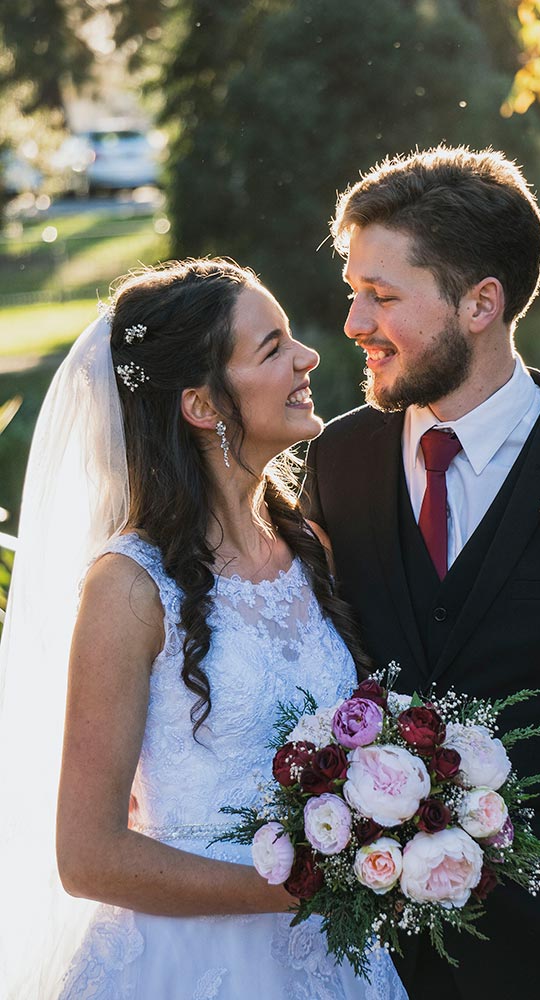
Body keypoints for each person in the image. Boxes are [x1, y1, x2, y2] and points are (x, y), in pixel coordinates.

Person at [304, 146, 540, 1000]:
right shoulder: (334, 462)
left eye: (383, 298)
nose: (354, 323)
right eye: (353, 291)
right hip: (379, 957)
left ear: (480, 303)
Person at [0, 259, 407, 1000]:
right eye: (272, 347)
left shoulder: (310, 547)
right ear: (200, 405)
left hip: (333, 957)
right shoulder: (128, 586)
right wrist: (293, 889)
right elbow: (87, 857)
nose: (307, 357)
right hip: (188, 967)